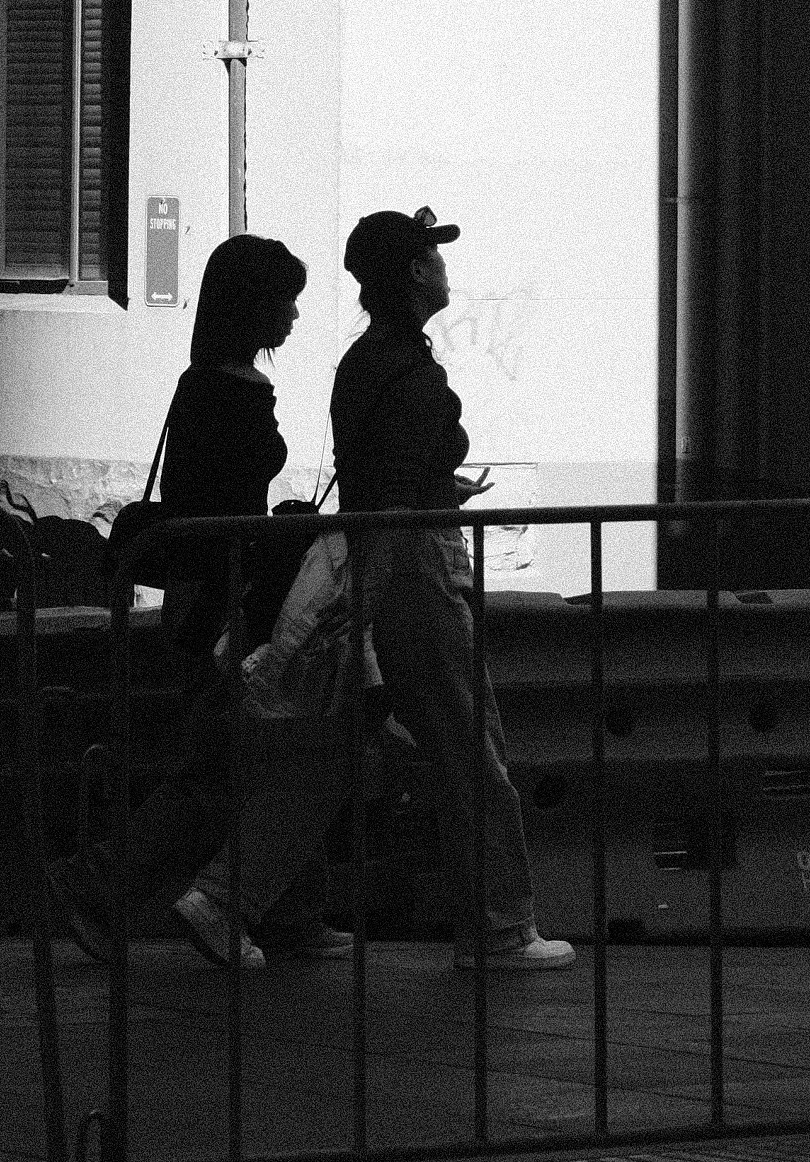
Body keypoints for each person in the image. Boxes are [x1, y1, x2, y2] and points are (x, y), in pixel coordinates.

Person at [54, 231, 348, 971]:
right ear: (253, 306)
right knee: (226, 760)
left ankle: (288, 908)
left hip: (210, 593)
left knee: (255, 753)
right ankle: (100, 884)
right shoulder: (231, 393)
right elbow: (222, 506)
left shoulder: (204, 382)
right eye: (285, 301)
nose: (293, 316)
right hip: (226, 599)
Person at [334, 206, 573, 977]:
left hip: (395, 559)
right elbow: (395, 496)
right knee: (473, 748)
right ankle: (500, 926)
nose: (446, 270)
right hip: (419, 567)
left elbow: (381, 476)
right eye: (435, 258)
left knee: (446, 742)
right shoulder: (413, 374)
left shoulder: (364, 362)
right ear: (414, 273)